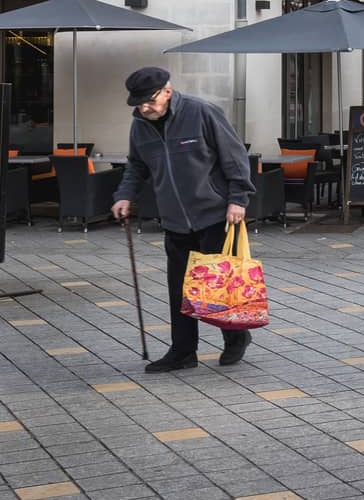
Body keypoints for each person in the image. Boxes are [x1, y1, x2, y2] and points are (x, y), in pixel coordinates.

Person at [109, 67, 255, 374]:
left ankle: (236, 337)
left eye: (149, 100)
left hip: (214, 215)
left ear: (167, 92)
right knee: (180, 289)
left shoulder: (201, 112)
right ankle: (183, 351)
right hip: (174, 220)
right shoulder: (140, 126)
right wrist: (124, 195)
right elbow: (136, 166)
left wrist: (237, 199)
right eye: (138, 102)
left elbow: (234, 155)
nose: (143, 107)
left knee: (218, 287)